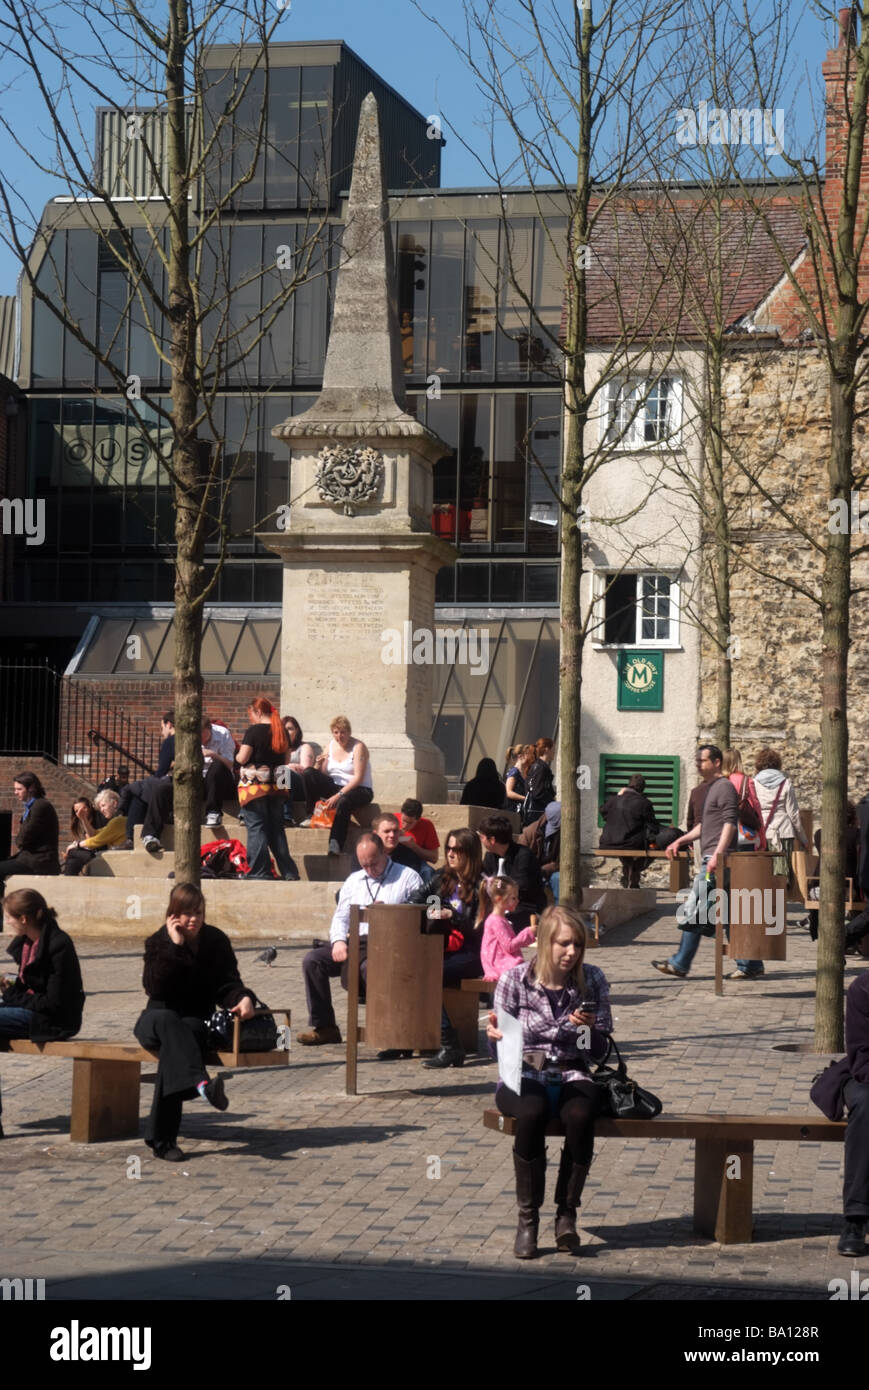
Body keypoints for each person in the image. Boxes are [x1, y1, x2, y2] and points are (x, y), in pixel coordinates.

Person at [488, 904, 612, 1258]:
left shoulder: (593, 980)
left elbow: (597, 1053)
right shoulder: (515, 981)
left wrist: (587, 1031)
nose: (571, 952)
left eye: (577, 945)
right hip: (523, 1071)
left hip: (573, 1068)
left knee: (581, 1114)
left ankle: (566, 1215)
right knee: (532, 1111)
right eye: (563, 944)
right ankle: (528, 1220)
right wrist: (494, 1036)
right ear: (544, 943)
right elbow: (503, 1050)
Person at [133, 883, 256, 1161]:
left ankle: (163, 1141)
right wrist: (175, 947)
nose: (193, 919)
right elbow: (155, 988)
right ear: (173, 914)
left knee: (178, 1045)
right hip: (156, 1019)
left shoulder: (215, 941)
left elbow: (228, 983)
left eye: (198, 912)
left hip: (193, 1022)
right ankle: (201, 1084)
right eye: (187, 913)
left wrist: (244, 997)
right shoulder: (157, 941)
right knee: (169, 1022)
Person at [298, 832, 423, 1046]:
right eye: (363, 864)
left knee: (367, 968)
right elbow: (341, 917)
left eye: (373, 863)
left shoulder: (408, 877)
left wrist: (393, 914)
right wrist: (338, 941)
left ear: (384, 852)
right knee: (312, 961)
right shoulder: (354, 880)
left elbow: (426, 912)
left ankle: (386, 1026)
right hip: (355, 941)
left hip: (389, 945)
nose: (369, 869)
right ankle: (325, 1026)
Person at [0, 887, 85, 1138]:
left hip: (53, 1019)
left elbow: (52, 1002)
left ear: (24, 919)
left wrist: (12, 995)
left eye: (9, 917)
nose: (6, 922)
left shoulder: (58, 944)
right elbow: (31, 985)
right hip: (33, 1009)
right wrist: (9, 983)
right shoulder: (28, 943)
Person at [652, 744, 739, 979]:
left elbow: (731, 823)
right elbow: (704, 826)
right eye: (697, 760)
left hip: (717, 858)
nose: (698, 764)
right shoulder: (711, 788)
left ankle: (680, 963)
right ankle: (749, 963)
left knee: (696, 908)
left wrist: (718, 855)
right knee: (725, 913)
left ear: (717, 762)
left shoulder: (725, 787)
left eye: (702, 760)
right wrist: (679, 841)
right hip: (716, 857)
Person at [416, 826, 485, 1069]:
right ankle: (402, 1039)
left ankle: (450, 1045)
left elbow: (480, 927)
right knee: (411, 970)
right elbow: (416, 900)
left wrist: (452, 915)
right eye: (448, 848)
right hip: (442, 948)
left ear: (471, 853)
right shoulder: (440, 879)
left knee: (427, 976)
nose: (451, 854)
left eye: (457, 849)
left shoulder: (482, 886)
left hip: (472, 953)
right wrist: (432, 910)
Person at [235, 697, 300, 881]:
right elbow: (287, 761)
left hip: (256, 783)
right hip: (280, 780)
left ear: (257, 712)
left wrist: (237, 754)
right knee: (276, 829)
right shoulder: (282, 731)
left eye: (251, 714)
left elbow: (242, 757)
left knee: (256, 827)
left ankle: (259, 871)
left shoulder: (254, 731)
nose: (251, 719)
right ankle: (289, 872)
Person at [299, 716, 373, 855]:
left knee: (343, 801)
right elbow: (324, 774)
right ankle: (311, 815)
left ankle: (335, 844)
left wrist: (338, 795)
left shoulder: (358, 747)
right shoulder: (330, 745)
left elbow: (358, 777)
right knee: (309, 772)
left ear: (349, 732)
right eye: (336, 732)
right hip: (336, 786)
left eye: (343, 732)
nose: (339, 736)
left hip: (359, 789)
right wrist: (317, 764)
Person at [839, 968, 869, 1255]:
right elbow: (861, 1057)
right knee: (866, 1106)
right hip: (866, 1078)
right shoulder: (863, 989)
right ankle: (856, 1218)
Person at [752, 747, 809, 887]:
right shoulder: (786, 783)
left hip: (762, 831)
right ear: (778, 763)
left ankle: (765, 902)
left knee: (763, 872)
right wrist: (803, 839)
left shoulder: (754, 783)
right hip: (783, 831)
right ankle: (779, 902)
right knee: (781, 871)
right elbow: (793, 813)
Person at [478, 813, 546, 928]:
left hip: (524, 907)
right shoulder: (490, 856)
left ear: (492, 840)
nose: (481, 840)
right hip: (498, 907)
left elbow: (521, 887)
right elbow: (483, 881)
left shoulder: (524, 855)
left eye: (482, 836)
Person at [0, 772, 60, 889]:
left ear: (31, 788)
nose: (15, 792)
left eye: (19, 789)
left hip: (40, 861)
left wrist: (19, 839)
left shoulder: (40, 806)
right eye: (15, 789)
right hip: (31, 858)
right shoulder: (33, 806)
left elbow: (22, 840)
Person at [599, 774, 660, 888]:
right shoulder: (644, 802)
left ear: (628, 785)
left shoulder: (613, 800)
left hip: (608, 842)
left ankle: (629, 869)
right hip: (631, 843)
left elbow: (603, 812)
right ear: (642, 789)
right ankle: (635, 870)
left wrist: (618, 796)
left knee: (624, 842)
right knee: (655, 846)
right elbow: (653, 827)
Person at [480, 875, 537, 980]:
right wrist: (528, 932)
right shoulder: (496, 921)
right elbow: (509, 946)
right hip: (500, 964)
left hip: (503, 960)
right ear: (499, 899)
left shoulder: (500, 919)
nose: (517, 901)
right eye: (513, 898)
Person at [62, 789, 129, 875]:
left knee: (73, 852)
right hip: (113, 856)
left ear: (114, 803)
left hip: (117, 859)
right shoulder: (116, 821)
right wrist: (83, 818)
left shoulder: (118, 821)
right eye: (100, 807)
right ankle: (68, 878)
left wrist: (76, 845)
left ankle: (68, 879)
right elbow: (95, 833)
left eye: (103, 806)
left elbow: (97, 840)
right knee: (73, 855)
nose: (102, 810)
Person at [355, 813, 431, 881]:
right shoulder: (364, 855)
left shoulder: (409, 856)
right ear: (375, 834)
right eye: (387, 831)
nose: (392, 835)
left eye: (395, 831)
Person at [722, 749, 766, 852]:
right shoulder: (747, 781)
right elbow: (756, 810)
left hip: (722, 835)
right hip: (744, 836)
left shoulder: (719, 782)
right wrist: (762, 839)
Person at [201, 717, 237, 827]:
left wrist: (214, 754)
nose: (203, 741)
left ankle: (213, 813)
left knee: (217, 765)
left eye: (205, 737)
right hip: (201, 780)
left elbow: (230, 764)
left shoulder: (223, 734)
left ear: (210, 729)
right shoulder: (188, 737)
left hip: (222, 781)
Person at [397, 798, 440, 867]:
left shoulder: (426, 825)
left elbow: (434, 858)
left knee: (428, 872)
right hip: (394, 860)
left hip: (415, 862)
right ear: (401, 813)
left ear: (418, 820)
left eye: (410, 823)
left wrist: (414, 846)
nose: (405, 825)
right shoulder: (392, 820)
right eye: (403, 820)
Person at [524, 738, 556, 826]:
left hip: (532, 813)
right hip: (537, 814)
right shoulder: (541, 768)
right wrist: (552, 802)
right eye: (553, 749)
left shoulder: (536, 765)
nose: (554, 752)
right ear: (546, 749)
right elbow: (537, 792)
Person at [503, 745, 534, 813]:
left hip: (519, 810)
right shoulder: (514, 771)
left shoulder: (524, 773)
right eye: (527, 754)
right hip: (511, 810)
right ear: (520, 756)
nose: (530, 758)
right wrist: (525, 798)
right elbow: (508, 792)